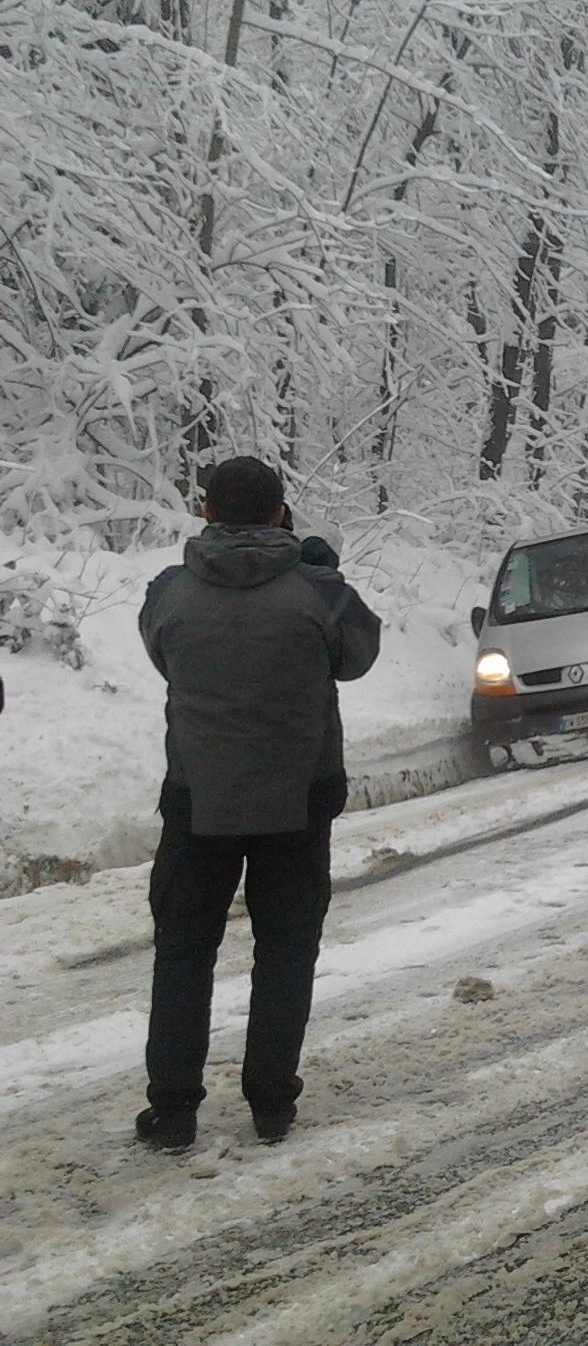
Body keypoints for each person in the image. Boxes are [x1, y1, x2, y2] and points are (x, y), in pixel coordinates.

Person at [133, 456, 381, 1150]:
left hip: (196, 799)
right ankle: (272, 1101)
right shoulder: (316, 591)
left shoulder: (169, 593)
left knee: (182, 952)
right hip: (297, 799)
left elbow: (165, 656)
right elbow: (358, 657)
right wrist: (325, 574)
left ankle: (173, 1110)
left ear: (207, 512)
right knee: (285, 951)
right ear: (280, 514)